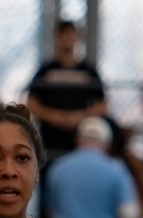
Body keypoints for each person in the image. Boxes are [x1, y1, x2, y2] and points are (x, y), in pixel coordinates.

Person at [26, 21, 105, 164]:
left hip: (81, 134)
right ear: (57, 38)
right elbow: (32, 103)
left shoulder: (88, 71)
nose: (67, 38)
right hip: (51, 135)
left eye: (71, 33)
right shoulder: (46, 70)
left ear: (77, 37)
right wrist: (54, 116)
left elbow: (103, 105)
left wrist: (80, 116)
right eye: (63, 34)